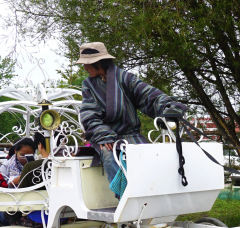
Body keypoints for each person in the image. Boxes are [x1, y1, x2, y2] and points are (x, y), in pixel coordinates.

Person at [76, 42, 186, 185]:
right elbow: (89, 113)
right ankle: (123, 197)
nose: (85, 68)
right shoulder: (88, 84)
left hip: (131, 135)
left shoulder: (125, 78)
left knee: (149, 156)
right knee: (109, 155)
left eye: (87, 63)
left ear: (99, 62)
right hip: (105, 137)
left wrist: (169, 107)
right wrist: (103, 135)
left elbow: (148, 95)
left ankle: (150, 191)